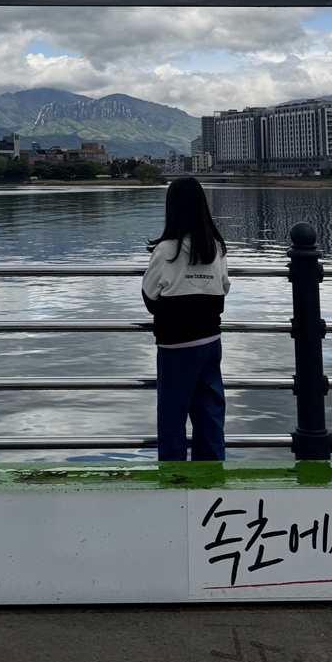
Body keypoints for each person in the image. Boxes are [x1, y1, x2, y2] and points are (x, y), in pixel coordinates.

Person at [142, 176, 230, 461]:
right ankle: (211, 475)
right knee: (210, 417)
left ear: (172, 209)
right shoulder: (216, 247)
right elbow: (224, 287)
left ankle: (174, 480)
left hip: (176, 346)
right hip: (210, 341)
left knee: (172, 420)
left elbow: (150, 296)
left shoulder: (166, 250)